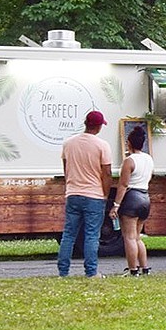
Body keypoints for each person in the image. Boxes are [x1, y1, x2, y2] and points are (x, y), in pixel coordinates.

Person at [57, 110, 112, 278]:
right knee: (91, 235)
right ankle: (91, 272)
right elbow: (107, 173)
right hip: (94, 194)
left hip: (73, 193)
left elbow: (66, 168)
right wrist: (105, 194)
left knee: (69, 234)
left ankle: (63, 272)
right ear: (99, 126)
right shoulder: (102, 145)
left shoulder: (69, 143)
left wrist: (70, 185)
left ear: (85, 123)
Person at [109, 126, 152, 276]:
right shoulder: (149, 159)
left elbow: (123, 184)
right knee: (137, 236)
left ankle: (133, 269)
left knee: (129, 237)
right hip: (145, 197)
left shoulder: (129, 161)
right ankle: (145, 267)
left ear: (129, 143)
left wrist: (116, 205)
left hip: (131, 198)